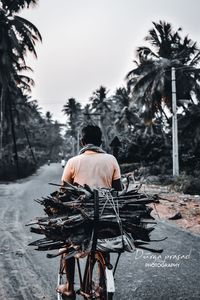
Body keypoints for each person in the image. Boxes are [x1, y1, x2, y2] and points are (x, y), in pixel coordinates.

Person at [56, 125, 122, 297]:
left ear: (82, 141)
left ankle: (69, 287)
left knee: (68, 245)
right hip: (105, 217)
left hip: (80, 220)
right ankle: (103, 283)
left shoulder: (73, 162)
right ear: (101, 142)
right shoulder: (111, 159)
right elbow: (117, 189)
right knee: (104, 245)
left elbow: (64, 191)